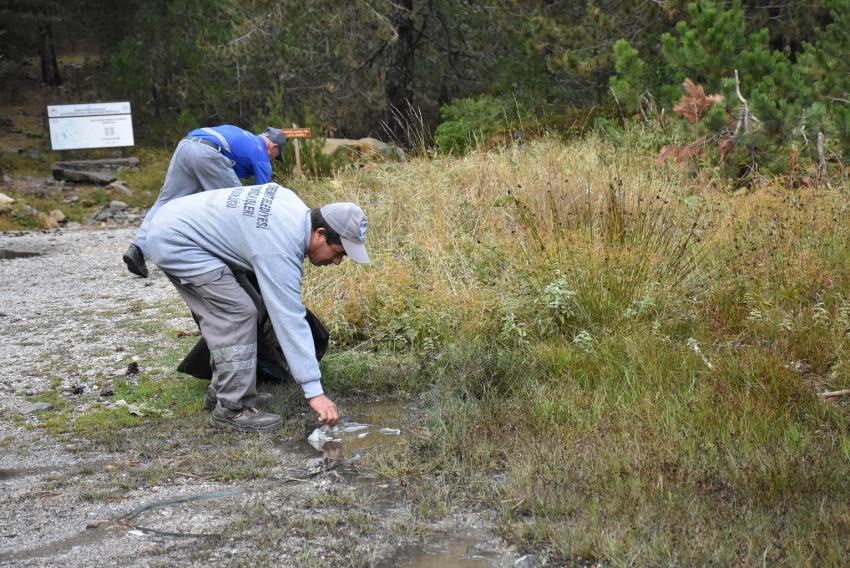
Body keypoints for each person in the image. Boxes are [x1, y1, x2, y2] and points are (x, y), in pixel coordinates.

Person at [145, 182, 370, 432]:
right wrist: (315, 392)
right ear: (319, 233)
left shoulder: (292, 208)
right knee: (238, 313)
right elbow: (289, 319)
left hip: (179, 224)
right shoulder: (279, 246)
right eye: (338, 252)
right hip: (177, 240)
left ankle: (224, 392)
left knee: (252, 305)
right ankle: (232, 410)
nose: (337, 262)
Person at [123, 125, 287, 278]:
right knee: (237, 206)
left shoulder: (242, 135)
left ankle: (137, 251)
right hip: (209, 154)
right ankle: (242, 264)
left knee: (165, 202)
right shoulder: (260, 150)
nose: (272, 160)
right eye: (276, 157)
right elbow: (266, 194)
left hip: (186, 146)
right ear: (273, 147)